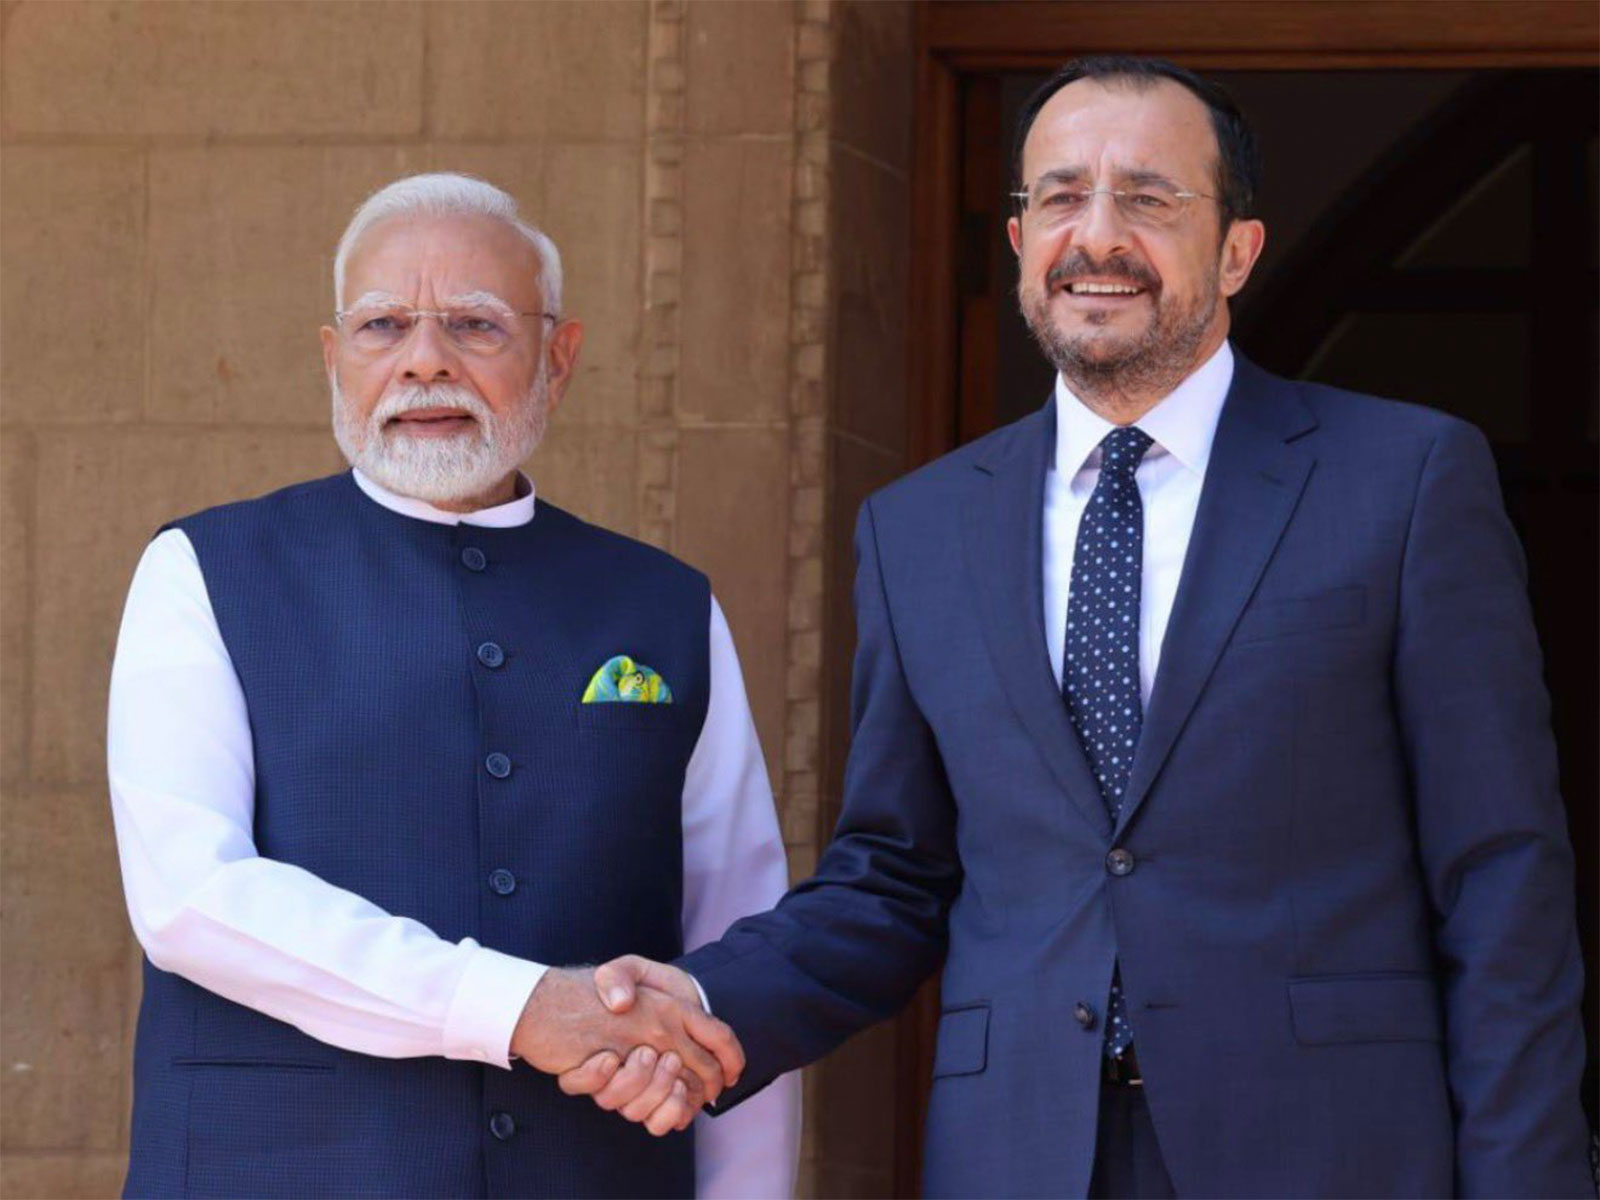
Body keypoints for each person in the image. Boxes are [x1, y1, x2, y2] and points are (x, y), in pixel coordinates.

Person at [559, 58, 1592, 1198]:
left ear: (1237, 249)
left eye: (1148, 198)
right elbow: (894, 877)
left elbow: (1499, 877)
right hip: (1020, 1154)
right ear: (1015, 243)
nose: (1095, 236)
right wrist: (706, 1006)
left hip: (1329, 1153)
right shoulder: (918, 528)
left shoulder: (1402, 480)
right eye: (1057, 197)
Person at [107, 172, 798, 1198]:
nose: (424, 360)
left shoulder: (665, 606)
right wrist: (517, 1007)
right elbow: (189, 895)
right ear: (334, 359)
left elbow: (734, 950)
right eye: (383, 325)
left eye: (475, 326)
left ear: (559, 360)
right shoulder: (206, 570)